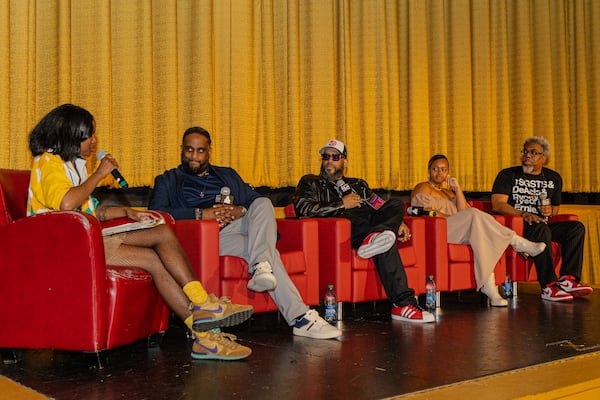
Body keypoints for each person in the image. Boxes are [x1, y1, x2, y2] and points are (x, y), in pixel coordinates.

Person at [27, 104, 253, 361]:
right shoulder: (47, 162)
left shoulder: (74, 165)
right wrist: (100, 174)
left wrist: (128, 212)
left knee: (155, 257)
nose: (94, 141)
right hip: (61, 248)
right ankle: (203, 302)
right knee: (161, 232)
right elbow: (66, 204)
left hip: (85, 241)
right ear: (72, 135)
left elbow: (93, 212)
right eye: (89, 135)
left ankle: (204, 338)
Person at [148, 127, 342, 340]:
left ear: (209, 152)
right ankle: (300, 317)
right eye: (189, 150)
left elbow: (253, 199)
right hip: (205, 239)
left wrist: (239, 210)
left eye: (200, 151)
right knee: (268, 253)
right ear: (181, 150)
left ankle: (261, 267)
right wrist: (200, 214)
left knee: (263, 203)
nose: (194, 156)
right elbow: (157, 214)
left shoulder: (226, 175)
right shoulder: (167, 180)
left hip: (237, 227)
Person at [293, 139, 434, 323]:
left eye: (335, 156)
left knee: (396, 205)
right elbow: (303, 208)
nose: (329, 160)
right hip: (345, 230)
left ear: (345, 161)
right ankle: (403, 304)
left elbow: (380, 206)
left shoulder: (358, 184)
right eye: (325, 156)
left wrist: (398, 222)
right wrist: (341, 204)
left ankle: (376, 237)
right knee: (384, 238)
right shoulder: (311, 182)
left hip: (371, 226)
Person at [410, 154, 547, 307]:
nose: (439, 173)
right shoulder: (422, 187)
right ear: (429, 170)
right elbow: (423, 211)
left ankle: (489, 287)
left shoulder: (449, 192)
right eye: (435, 169)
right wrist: (454, 217)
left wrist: (457, 189)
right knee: (474, 214)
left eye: (443, 170)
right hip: (439, 230)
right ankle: (516, 241)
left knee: (482, 235)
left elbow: (463, 210)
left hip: (460, 230)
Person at [491, 136, 593, 302]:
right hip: (517, 227)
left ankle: (568, 279)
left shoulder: (553, 178)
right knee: (541, 228)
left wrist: (549, 210)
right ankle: (548, 285)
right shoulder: (508, 175)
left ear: (543, 158)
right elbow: (497, 204)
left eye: (533, 152)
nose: (527, 155)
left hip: (541, 225)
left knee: (576, 227)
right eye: (525, 152)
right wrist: (523, 214)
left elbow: (554, 210)